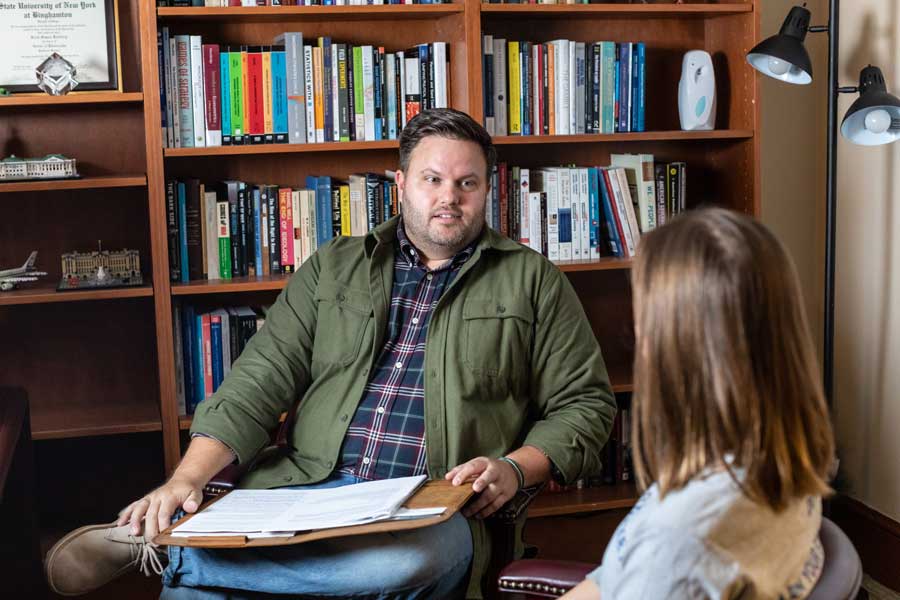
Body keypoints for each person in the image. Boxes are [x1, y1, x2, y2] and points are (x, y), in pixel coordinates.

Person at [45, 108, 617, 600]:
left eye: (468, 183)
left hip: (434, 503)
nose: (449, 197)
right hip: (305, 490)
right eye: (433, 179)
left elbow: (586, 407)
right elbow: (260, 379)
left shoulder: (533, 280)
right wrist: (184, 481)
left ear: (489, 189)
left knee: (404, 566)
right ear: (401, 182)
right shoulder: (333, 265)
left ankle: (172, 552)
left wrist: (515, 470)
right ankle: (189, 549)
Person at [560, 208, 836, 600]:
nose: (638, 334)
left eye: (646, 317)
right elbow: (606, 583)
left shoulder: (677, 547)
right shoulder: (781, 467)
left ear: (679, 346)